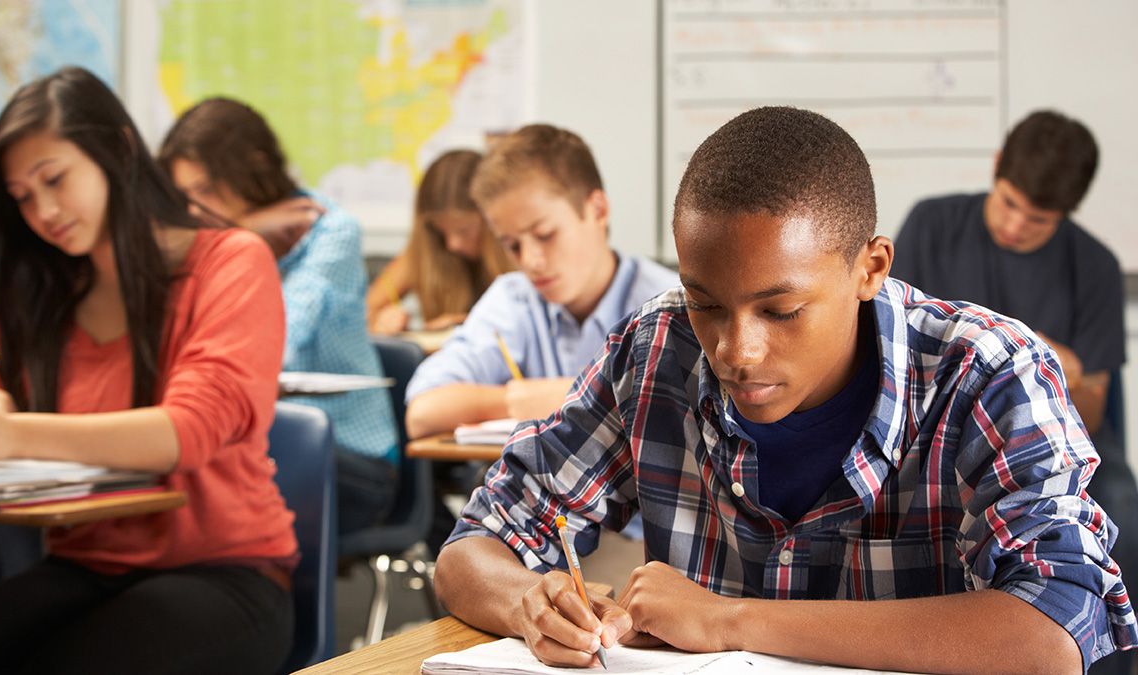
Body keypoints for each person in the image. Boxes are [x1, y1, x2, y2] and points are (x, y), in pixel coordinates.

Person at [433, 106, 1137, 674]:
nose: (737, 350)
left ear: (871, 268)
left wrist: (727, 617)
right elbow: (474, 546)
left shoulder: (990, 373)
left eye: (781, 310)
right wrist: (530, 599)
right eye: (706, 301)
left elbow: (1052, 633)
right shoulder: (654, 353)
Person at [0, 67, 296, 674]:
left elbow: (187, 430)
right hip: (84, 566)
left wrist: (14, 433)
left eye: (55, 179)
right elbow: (12, 399)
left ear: (119, 151)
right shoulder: (43, 285)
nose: (43, 210)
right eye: (22, 196)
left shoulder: (230, 262)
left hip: (224, 574)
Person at [892, 110, 1137, 675]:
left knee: (1119, 505)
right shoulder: (933, 224)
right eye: (1009, 204)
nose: (1016, 226)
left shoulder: (1094, 266)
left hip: (1056, 437)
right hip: (937, 431)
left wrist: (1046, 363)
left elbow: (1094, 409)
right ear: (997, 168)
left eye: (1039, 219)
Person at [159, 97, 399, 534]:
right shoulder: (205, 241)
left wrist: (238, 245)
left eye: (208, 191)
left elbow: (270, 347)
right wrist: (245, 234)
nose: (195, 212)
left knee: (211, 476)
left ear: (253, 167)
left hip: (349, 457)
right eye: (184, 197)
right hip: (255, 443)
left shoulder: (331, 230)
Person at [404, 124, 679, 440]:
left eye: (545, 235)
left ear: (597, 211)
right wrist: (516, 400)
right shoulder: (513, 300)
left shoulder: (670, 305)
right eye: (512, 245)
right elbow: (422, 413)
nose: (531, 261)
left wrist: (576, 394)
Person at [366, 149, 515, 335]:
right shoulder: (423, 253)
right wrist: (381, 322)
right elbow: (363, 313)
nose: (452, 244)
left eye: (464, 231)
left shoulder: (521, 252)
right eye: (440, 231)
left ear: (493, 220)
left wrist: (467, 323)